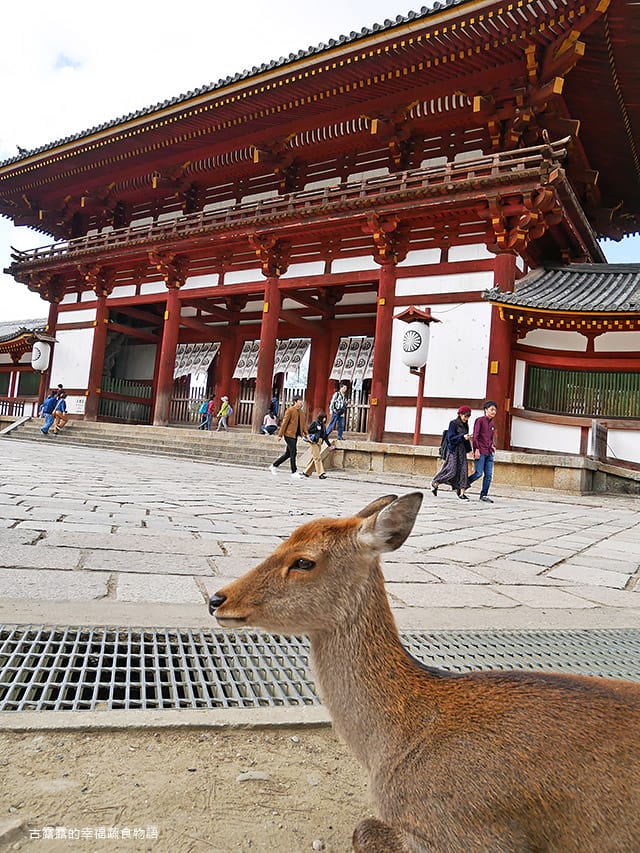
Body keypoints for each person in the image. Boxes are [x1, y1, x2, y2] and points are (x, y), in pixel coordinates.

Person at [431, 405, 473, 500]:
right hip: (453, 450)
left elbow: (466, 440)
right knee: (451, 470)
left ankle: (462, 493)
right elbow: (450, 438)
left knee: (463, 470)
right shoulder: (453, 424)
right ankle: (436, 482)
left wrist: (470, 450)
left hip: (462, 451)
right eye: (465, 416)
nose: (466, 418)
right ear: (460, 415)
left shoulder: (466, 424)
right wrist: (462, 437)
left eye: (468, 417)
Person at [269, 396, 308, 479]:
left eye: (301, 401)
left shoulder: (301, 412)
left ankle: (274, 465)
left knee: (288, 454)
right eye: (300, 401)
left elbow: (303, 424)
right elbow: (284, 423)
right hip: (288, 434)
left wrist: (306, 434)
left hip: (295, 435)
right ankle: (294, 471)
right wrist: (280, 435)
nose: (301, 403)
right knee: (293, 452)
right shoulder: (290, 410)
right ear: (295, 402)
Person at [468, 400, 498, 503]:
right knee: (478, 473)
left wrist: (492, 445)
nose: (494, 412)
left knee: (489, 475)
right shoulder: (479, 420)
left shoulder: (492, 423)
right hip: (480, 451)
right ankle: (463, 485)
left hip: (489, 452)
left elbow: (490, 438)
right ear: (486, 410)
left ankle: (484, 495)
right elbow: (475, 436)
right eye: (492, 409)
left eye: (495, 410)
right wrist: (476, 449)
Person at [302, 411, 336, 479]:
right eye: (324, 418)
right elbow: (308, 431)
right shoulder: (315, 423)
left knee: (314, 458)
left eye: (325, 418)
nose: (325, 419)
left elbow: (325, 436)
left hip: (320, 442)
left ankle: (306, 472)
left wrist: (329, 445)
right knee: (317, 458)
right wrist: (316, 429)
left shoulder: (323, 426)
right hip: (314, 442)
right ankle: (321, 473)